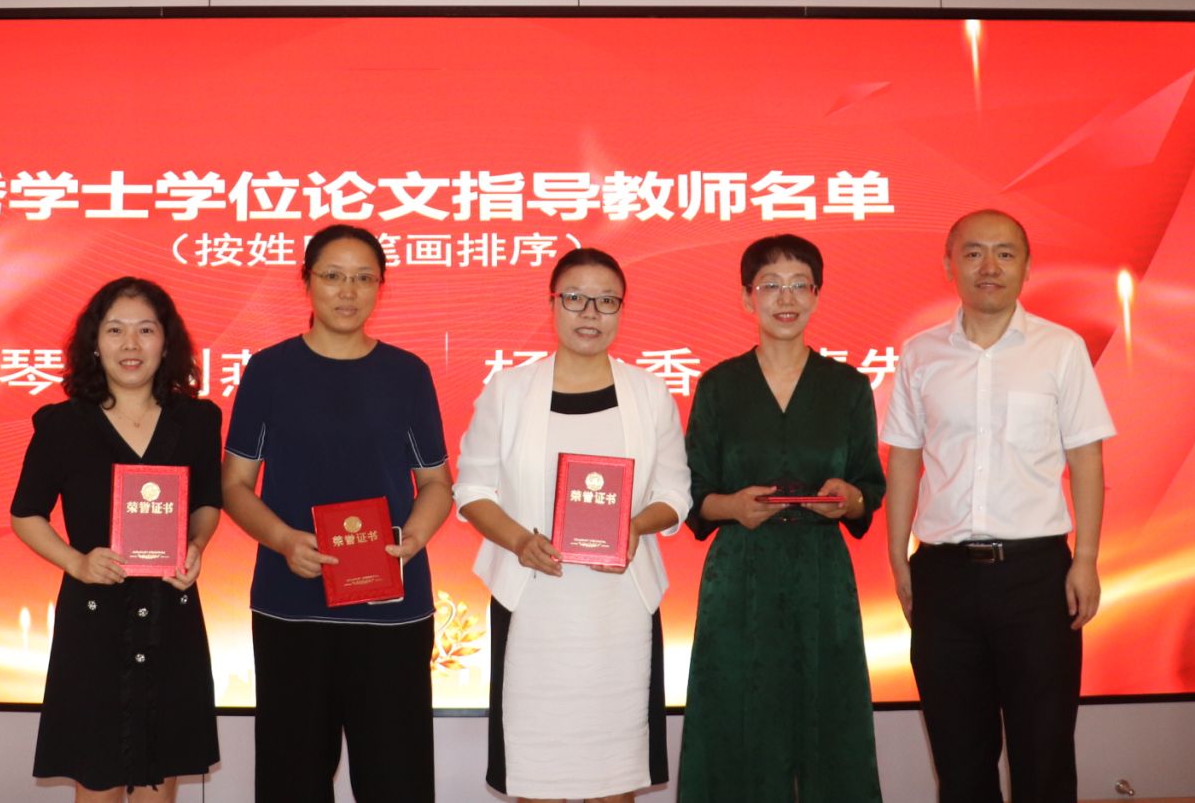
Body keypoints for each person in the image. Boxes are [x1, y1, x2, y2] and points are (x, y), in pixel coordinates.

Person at [882, 209, 1115, 803]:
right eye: (973, 253)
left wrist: (1086, 558)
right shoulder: (920, 354)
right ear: (949, 265)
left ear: (1027, 267)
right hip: (944, 577)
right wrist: (899, 557)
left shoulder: (1060, 349)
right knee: (961, 760)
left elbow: (1086, 457)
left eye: (1005, 253)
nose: (990, 266)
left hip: (1037, 577)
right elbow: (904, 458)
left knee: (1044, 754)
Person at [220, 224, 453, 803]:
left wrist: (413, 538)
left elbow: (435, 483)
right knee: (292, 781)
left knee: (397, 781)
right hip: (291, 607)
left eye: (363, 278)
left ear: (380, 287)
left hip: (390, 611)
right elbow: (236, 485)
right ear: (307, 282)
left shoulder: (407, 373)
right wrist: (282, 539)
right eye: (332, 276)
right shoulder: (269, 371)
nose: (348, 291)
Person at [454, 247, 692, 803]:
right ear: (553, 304)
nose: (590, 313)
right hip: (533, 603)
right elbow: (471, 490)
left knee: (614, 773)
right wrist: (519, 541)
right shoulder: (509, 390)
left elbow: (676, 494)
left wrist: (636, 526)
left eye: (606, 301)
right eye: (575, 298)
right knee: (537, 772)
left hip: (620, 609)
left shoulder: (649, 392)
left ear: (622, 309)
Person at [677, 234, 887, 802]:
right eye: (770, 285)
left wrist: (849, 498)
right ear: (747, 297)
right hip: (740, 573)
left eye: (799, 285)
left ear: (817, 295)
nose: (785, 298)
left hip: (823, 575)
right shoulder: (719, 385)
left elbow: (870, 486)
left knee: (830, 720)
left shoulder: (848, 386)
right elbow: (693, 491)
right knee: (737, 720)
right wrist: (732, 507)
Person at [9, 276, 223, 802]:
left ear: (166, 343)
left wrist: (196, 546)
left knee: (161, 780)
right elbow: (26, 514)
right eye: (115, 330)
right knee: (96, 780)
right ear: (94, 343)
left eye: (146, 330)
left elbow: (207, 503)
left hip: (170, 615)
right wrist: (77, 563)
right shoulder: (62, 425)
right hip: (94, 620)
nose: (131, 344)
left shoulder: (197, 420)